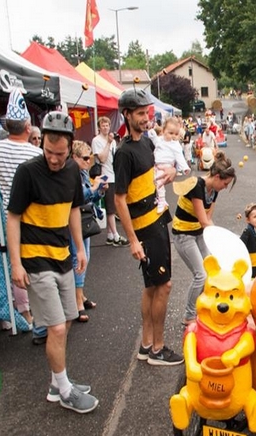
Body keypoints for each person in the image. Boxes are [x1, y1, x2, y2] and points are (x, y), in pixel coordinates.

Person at [7, 111, 98, 413]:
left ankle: (57, 383)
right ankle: (65, 391)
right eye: (48, 151)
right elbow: (13, 217)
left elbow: (73, 209)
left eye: (60, 154)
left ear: (70, 148)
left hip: (63, 257)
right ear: (42, 142)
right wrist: (16, 263)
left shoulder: (72, 170)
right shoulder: (27, 172)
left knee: (68, 319)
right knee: (56, 328)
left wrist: (80, 249)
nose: (54, 159)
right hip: (35, 259)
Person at [113, 88, 183, 366]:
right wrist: (132, 239)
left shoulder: (147, 142)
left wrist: (172, 172)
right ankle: (158, 349)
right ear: (127, 115)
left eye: (147, 112)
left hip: (157, 218)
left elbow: (156, 173)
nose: (145, 118)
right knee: (164, 285)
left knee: (152, 286)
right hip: (145, 227)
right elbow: (119, 199)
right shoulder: (123, 153)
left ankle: (146, 345)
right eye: (140, 113)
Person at [0, 89, 40, 331]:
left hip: (4, 215)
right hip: (31, 218)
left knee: (10, 265)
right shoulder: (37, 154)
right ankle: (28, 313)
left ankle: (19, 312)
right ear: (27, 127)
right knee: (29, 264)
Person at [172, 151, 236, 325]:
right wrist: (224, 240)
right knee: (200, 274)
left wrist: (219, 238)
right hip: (184, 234)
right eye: (225, 183)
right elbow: (203, 221)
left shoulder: (214, 190)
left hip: (198, 232)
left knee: (211, 270)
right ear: (217, 177)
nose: (225, 187)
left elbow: (208, 220)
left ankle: (202, 308)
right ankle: (189, 316)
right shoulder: (197, 186)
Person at [70, 141, 107, 323]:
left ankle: (80, 294)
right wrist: (93, 188)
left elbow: (90, 197)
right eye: (85, 158)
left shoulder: (83, 172)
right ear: (74, 157)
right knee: (78, 259)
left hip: (85, 218)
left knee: (85, 257)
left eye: (89, 157)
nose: (88, 161)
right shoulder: (70, 174)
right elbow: (77, 197)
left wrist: (100, 190)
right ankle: (77, 301)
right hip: (74, 220)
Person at [91, 116, 128, 247]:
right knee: (111, 207)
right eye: (103, 125)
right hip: (105, 176)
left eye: (107, 125)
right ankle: (116, 235)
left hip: (113, 175)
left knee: (112, 205)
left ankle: (110, 235)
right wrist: (108, 143)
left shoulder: (112, 141)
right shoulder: (97, 141)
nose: (106, 128)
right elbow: (102, 158)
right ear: (99, 127)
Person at [147, 117, 191, 214]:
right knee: (153, 182)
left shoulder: (175, 145)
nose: (173, 136)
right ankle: (159, 198)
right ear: (163, 131)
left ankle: (162, 200)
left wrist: (185, 167)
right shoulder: (160, 140)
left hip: (167, 165)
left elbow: (180, 157)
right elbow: (154, 138)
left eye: (176, 134)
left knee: (159, 182)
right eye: (171, 133)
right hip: (157, 165)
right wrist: (151, 130)